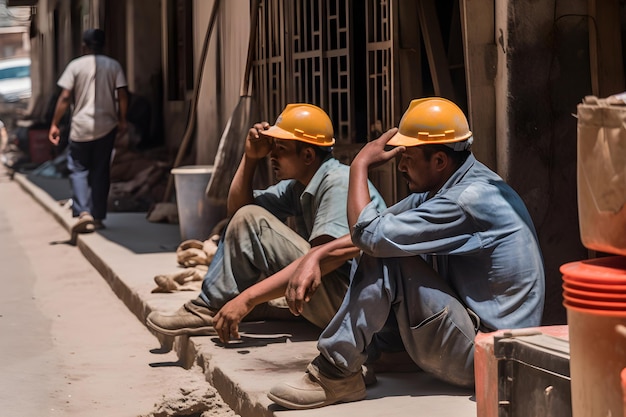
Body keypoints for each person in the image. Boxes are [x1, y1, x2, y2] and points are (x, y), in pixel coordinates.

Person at [268, 97, 546, 409]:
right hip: (474, 339)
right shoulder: (447, 187)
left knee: (384, 257)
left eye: (407, 157)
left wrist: (360, 165)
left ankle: (335, 373)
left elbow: (369, 237)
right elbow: (376, 229)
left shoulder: (466, 199)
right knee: (385, 248)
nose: (400, 166)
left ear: (439, 161)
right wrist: (315, 256)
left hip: (488, 356)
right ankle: (368, 356)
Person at [146, 103, 386, 343]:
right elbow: (238, 213)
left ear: (308, 155)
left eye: (280, 148)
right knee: (248, 217)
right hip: (340, 298)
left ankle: (207, 309)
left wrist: (248, 298)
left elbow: (322, 261)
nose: (272, 155)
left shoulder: (337, 181)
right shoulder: (300, 185)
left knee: (253, 221)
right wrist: (249, 158)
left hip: (357, 306)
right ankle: (217, 304)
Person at [48, 28, 128, 233]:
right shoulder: (114, 66)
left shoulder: (75, 66)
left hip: (81, 127)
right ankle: (98, 216)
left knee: (78, 169)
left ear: (83, 46)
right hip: (106, 125)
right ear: (104, 45)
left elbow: (65, 97)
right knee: (101, 170)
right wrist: (122, 120)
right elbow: (122, 94)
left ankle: (84, 212)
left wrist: (55, 123)